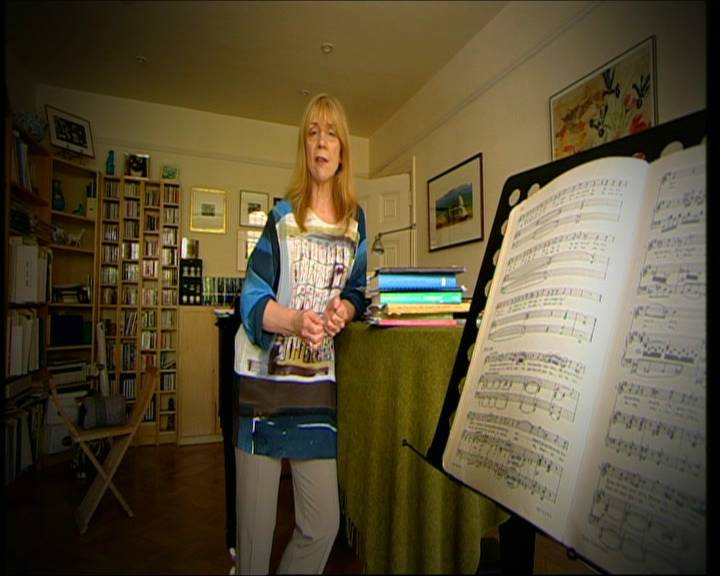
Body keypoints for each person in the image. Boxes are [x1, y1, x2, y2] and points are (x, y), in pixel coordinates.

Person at [233, 93, 367, 574]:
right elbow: (251, 298)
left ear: (343, 149)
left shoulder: (356, 222)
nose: (321, 142)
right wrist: (294, 320)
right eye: (312, 133)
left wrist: (343, 310)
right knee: (253, 543)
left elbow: (357, 290)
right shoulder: (282, 217)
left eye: (330, 133)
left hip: (315, 392)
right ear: (304, 148)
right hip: (263, 389)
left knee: (323, 524)